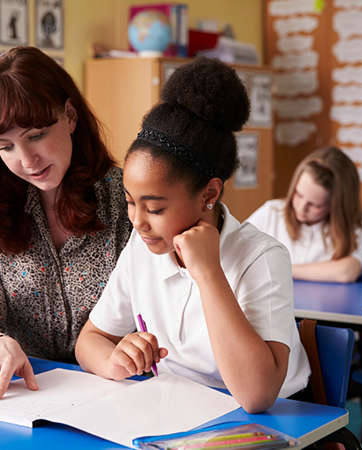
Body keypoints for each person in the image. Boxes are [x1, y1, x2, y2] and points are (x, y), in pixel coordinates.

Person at [75, 57, 310, 413]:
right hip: (176, 414)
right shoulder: (143, 246)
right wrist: (116, 360)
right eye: (129, 202)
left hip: (273, 422)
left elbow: (257, 396)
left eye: (154, 208)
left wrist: (208, 272)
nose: (138, 221)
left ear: (209, 195)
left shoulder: (262, 257)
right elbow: (89, 340)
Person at [0, 47, 132, 398]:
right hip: (25, 394)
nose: (26, 160)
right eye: (5, 146)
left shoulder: (128, 201)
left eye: (35, 135)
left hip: (123, 391)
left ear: (70, 116)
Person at [246, 146, 362, 283]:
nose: (301, 208)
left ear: (336, 207)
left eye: (315, 205)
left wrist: (279, 268)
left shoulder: (354, 224)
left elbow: (346, 272)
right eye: (298, 194)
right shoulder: (272, 211)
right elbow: (232, 249)